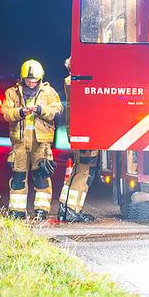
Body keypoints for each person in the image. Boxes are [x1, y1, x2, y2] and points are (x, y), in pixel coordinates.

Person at [2, 59, 63, 220]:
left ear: (40, 79)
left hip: (41, 144)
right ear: (22, 78)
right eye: (28, 80)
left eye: (34, 80)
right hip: (20, 143)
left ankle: (42, 210)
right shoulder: (12, 92)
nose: (31, 83)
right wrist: (20, 112)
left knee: (41, 177)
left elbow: (58, 111)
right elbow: (5, 112)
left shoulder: (48, 93)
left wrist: (42, 110)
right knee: (18, 178)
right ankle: (17, 211)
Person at [58, 57, 96, 222]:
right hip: (82, 130)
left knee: (78, 169)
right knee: (83, 170)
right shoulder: (74, 82)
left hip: (78, 129)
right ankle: (72, 210)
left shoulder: (71, 82)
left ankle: (67, 208)